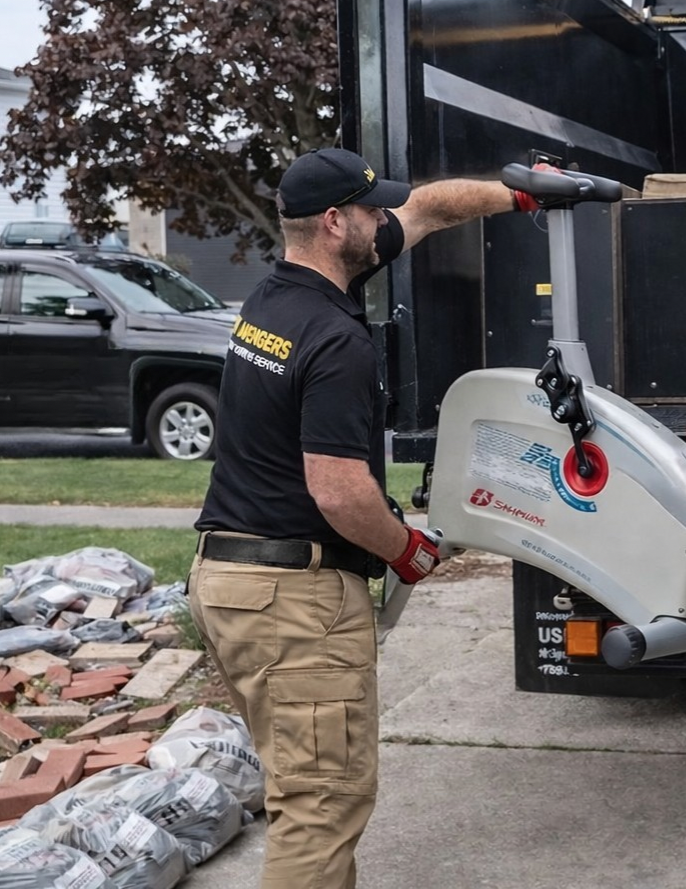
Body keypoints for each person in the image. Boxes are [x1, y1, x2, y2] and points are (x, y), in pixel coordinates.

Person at [188, 147, 544, 889]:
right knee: (320, 807)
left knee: (306, 790)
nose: (385, 220)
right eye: (370, 211)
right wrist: (405, 548)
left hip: (229, 580)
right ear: (334, 222)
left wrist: (521, 197)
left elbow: (429, 209)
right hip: (295, 600)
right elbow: (340, 493)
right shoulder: (335, 340)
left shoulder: (274, 300)